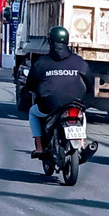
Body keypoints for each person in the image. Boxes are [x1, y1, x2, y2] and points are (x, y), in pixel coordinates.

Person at [21, 25, 94, 158]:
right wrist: (87, 98)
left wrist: (32, 90)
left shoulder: (41, 62)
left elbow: (30, 84)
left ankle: (39, 147)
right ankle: (82, 143)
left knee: (33, 112)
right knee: (81, 114)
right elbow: (90, 81)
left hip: (49, 104)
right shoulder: (78, 61)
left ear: (50, 41)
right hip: (75, 102)